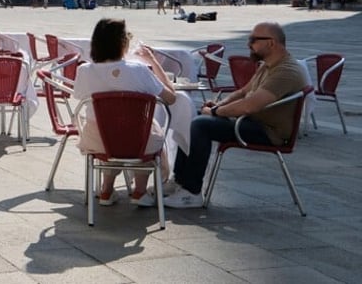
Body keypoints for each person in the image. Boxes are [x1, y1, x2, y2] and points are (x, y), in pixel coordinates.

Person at [164, 21, 308, 209]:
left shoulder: (286, 71)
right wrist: (219, 104)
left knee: (200, 125)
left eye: (254, 40)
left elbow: (249, 105)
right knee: (190, 116)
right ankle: (180, 180)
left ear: (271, 43)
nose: (249, 44)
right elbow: (242, 92)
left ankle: (192, 192)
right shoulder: (268, 65)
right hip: (251, 122)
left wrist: (215, 112)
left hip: (268, 132)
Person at [72, 18, 177, 206]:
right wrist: (153, 62)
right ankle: (140, 191)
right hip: (137, 140)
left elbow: (79, 96)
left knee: (109, 130)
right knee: (147, 131)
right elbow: (171, 98)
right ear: (123, 43)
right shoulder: (139, 70)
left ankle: (106, 190)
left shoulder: (84, 70)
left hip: (97, 140)